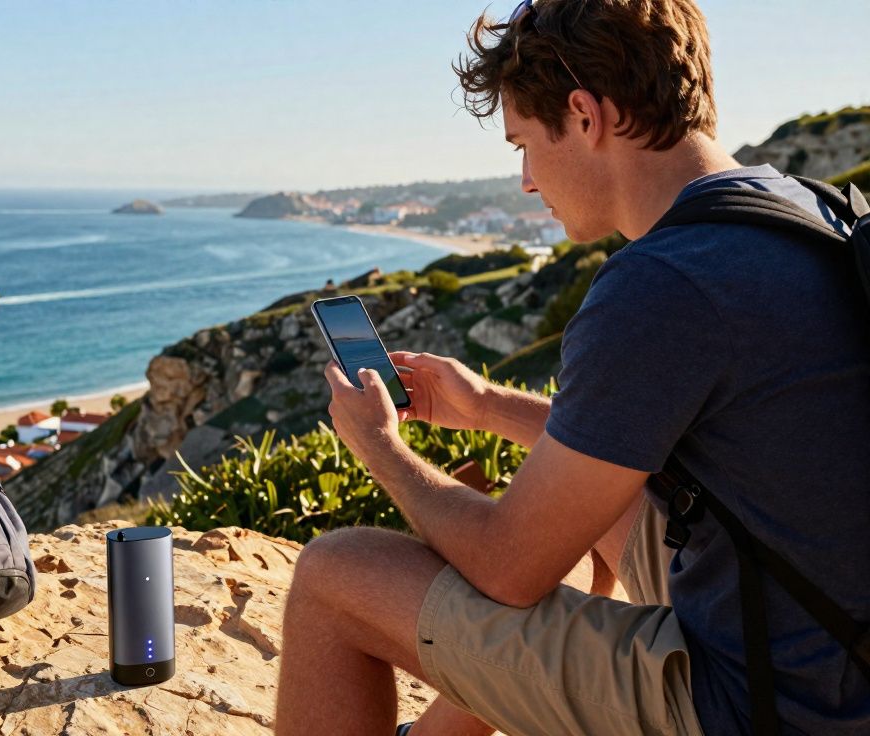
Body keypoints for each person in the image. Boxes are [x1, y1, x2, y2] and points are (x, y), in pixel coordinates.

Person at [272, 0, 870, 734]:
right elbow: (613, 445)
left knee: (337, 573)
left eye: (524, 143)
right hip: (835, 652)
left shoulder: (666, 283)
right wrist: (486, 404)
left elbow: (508, 566)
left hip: (769, 708)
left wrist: (381, 450)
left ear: (586, 116)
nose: (526, 179)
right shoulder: (808, 210)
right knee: (597, 495)